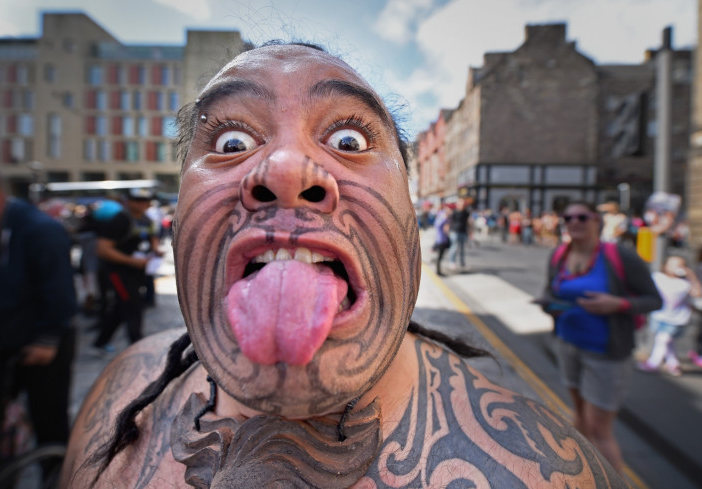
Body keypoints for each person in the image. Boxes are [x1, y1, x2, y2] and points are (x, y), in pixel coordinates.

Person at [60, 43, 629, 488]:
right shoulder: (118, 399)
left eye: (350, 138)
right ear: (179, 215)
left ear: (412, 213)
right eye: (231, 142)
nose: (286, 169)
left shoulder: (551, 473)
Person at [0, 155, 77, 482]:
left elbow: (59, 293)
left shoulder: (38, 230)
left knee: (49, 419)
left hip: (42, 346)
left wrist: (47, 339)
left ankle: (56, 477)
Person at [541, 201, 661, 473]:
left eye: (582, 216)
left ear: (597, 221)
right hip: (568, 343)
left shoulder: (620, 256)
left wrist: (618, 304)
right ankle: (580, 474)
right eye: (568, 217)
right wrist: (549, 304)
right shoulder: (559, 254)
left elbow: (654, 300)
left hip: (606, 352)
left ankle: (611, 480)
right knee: (579, 417)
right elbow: (551, 291)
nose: (574, 222)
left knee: (599, 428)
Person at [91, 188, 160, 354]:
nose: (143, 204)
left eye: (146, 201)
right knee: (133, 306)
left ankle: (101, 341)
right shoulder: (120, 220)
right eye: (138, 200)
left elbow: (152, 239)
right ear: (129, 201)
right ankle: (138, 346)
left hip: (138, 271)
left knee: (122, 307)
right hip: (118, 273)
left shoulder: (146, 219)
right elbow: (102, 249)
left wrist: (156, 251)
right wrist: (132, 261)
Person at [637, 255, 702, 375]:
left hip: (677, 319)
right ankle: (673, 364)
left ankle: (653, 363)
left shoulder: (685, 283)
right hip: (660, 316)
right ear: (665, 266)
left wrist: (691, 276)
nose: (676, 268)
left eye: (680, 265)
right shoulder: (658, 277)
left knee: (663, 339)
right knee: (668, 342)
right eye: (672, 265)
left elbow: (698, 293)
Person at [448, 199, 470, 270]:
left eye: (463, 205)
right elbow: (449, 222)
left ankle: (462, 262)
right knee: (454, 247)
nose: (462, 206)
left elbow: (467, 222)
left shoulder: (466, 213)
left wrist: (470, 232)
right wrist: (448, 231)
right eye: (460, 204)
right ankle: (452, 262)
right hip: (455, 231)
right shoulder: (454, 212)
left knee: (462, 248)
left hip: (463, 232)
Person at [432, 203, 450, 276]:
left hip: (442, 239)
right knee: (439, 257)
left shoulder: (440, 216)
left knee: (440, 257)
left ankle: (438, 270)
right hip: (441, 240)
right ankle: (438, 271)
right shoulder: (442, 217)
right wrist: (445, 218)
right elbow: (438, 225)